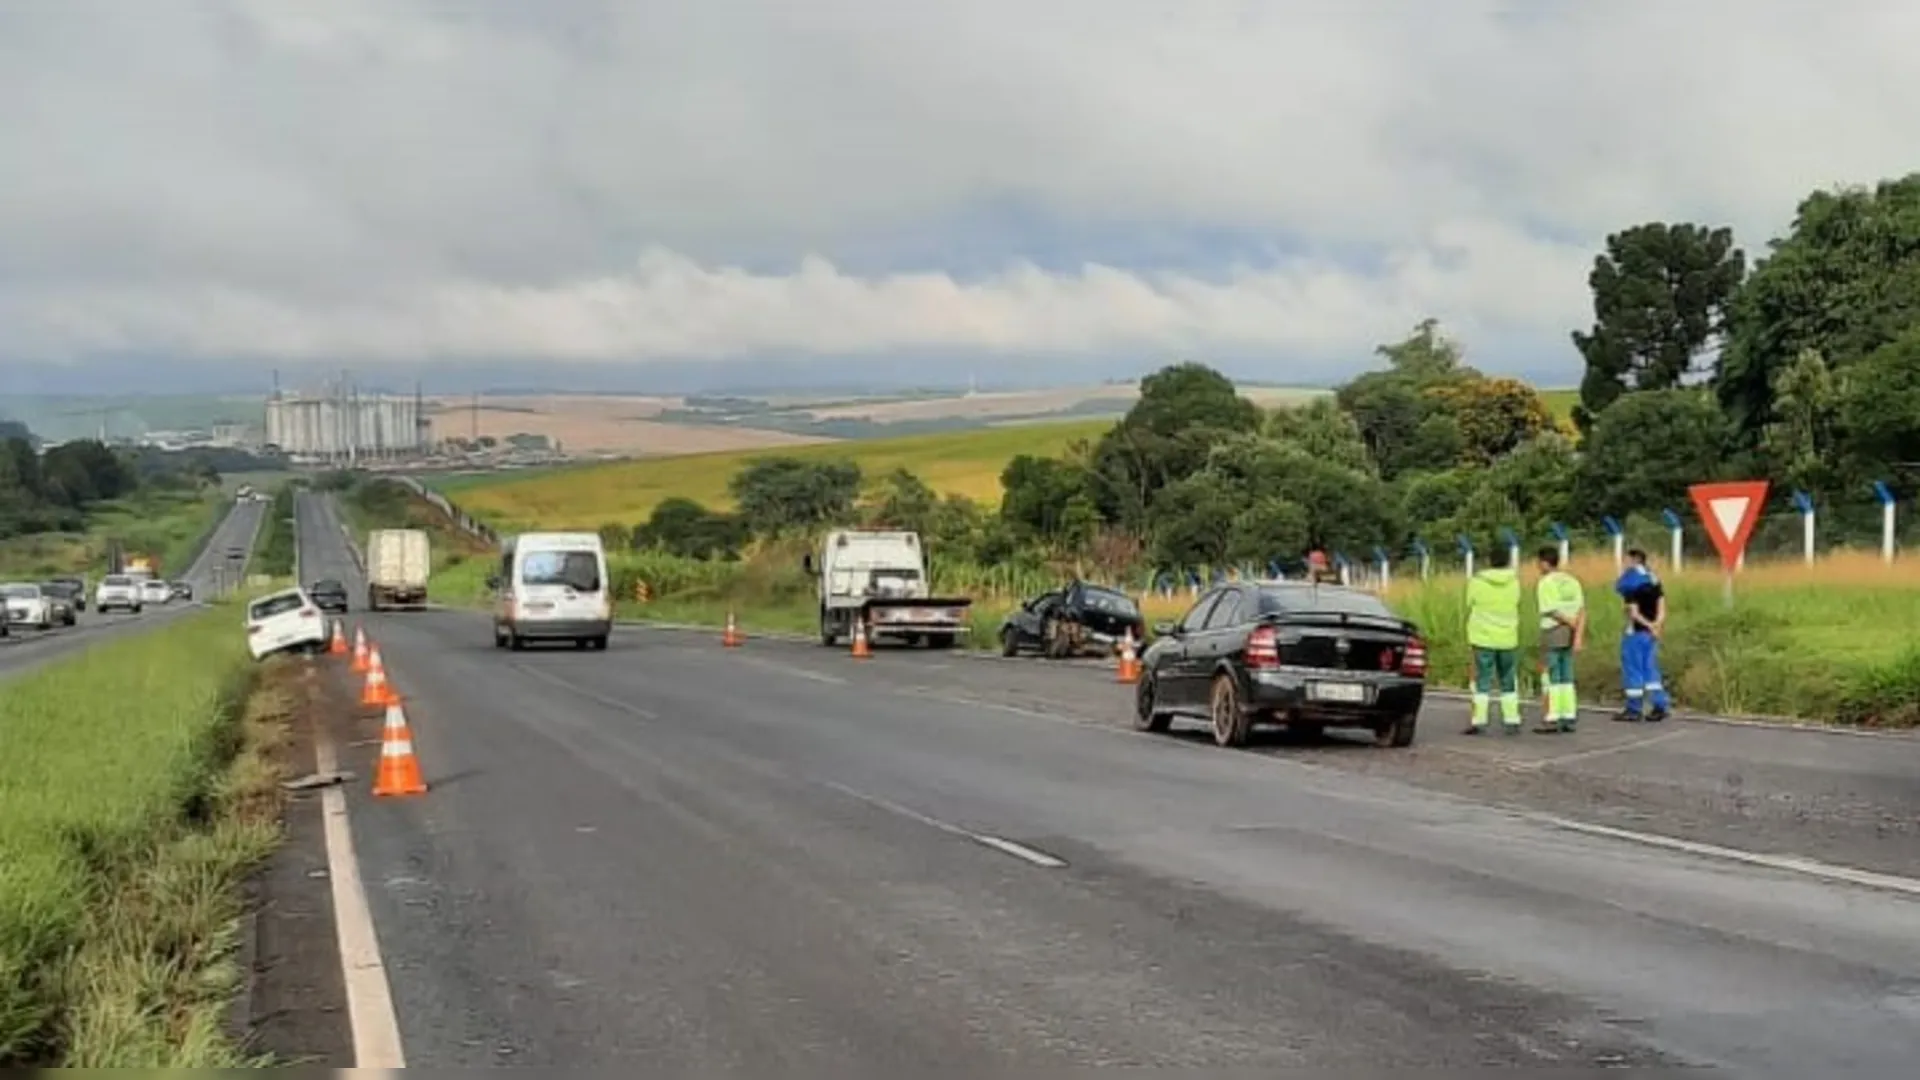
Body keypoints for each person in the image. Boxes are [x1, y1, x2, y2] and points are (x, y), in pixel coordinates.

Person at [1465, 543, 1523, 734]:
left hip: (1483, 637)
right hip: (1507, 637)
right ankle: (1512, 720)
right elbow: (1516, 601)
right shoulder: (1514, 581)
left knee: (1483, 679)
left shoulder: (1477, 581)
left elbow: (1469, 603)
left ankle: (1479, 721)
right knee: (1508, 679)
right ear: (1507, 561)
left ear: (1489, 561)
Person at [1614, 548, 1671, 722]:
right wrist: (1656, 625)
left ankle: (1634, 708)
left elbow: (1633, 611)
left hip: (1636, 631)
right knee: (1651, 669)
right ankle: (1659, 705)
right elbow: (1662, 605)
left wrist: (1646, 624)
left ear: (1634, 560)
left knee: (1633, 669)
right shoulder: (1653, 579)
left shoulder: (1630, 581)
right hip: (1652, 633)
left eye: (1626, 559)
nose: (1624, 563)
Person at [1534, 546, 1587, 733]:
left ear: (1544, 563)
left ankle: (1552, 716)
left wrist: (1570, 622)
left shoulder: (1546, 582)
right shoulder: (1572, 581)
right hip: (1571, 633)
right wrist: (1578, 633)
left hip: (1554, 630)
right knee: (1567, 675)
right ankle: (1568, 715)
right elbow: (1581, 610)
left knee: (1550, 674)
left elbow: (1551, 610)